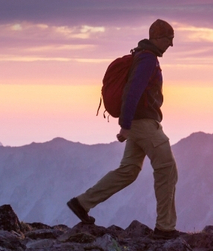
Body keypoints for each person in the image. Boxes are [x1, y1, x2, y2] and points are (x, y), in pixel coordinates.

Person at [67, 19, 180, 239]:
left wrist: (128, 126)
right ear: (158, 37)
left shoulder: (141, 56)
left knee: (128, 170)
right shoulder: (147, 59)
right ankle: (165, 228)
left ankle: (82, 203)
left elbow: (133, 91)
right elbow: (132, 91)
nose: (171, 44)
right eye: (169, 39)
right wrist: (125, 125)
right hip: (144, 124)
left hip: (138, 124)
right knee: (167, 168)